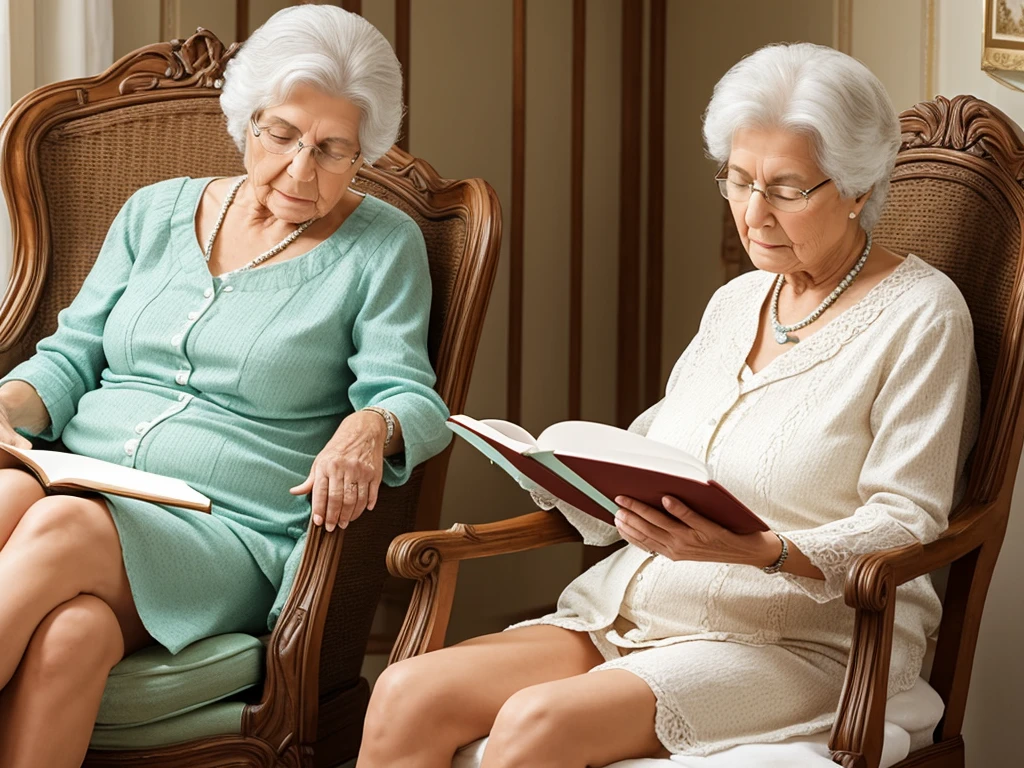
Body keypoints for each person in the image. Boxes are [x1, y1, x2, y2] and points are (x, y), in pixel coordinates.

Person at [357, 42, 980, 767]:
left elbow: (906, 519)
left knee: (536, 724)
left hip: (799, 641)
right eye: (739, 181)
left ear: (859, 189)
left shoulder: (924, 315)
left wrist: (765, 552)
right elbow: (656, 450)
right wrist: (558, 470)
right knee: (405, 692)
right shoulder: (738, 300)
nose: (754, 214)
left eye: (786, 188)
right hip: (638, 607)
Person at [0, 6, 451, 766]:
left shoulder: (381, 246)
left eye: (333, 150)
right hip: (80, 480)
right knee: (61, 606)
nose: (301, 170)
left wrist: (371, 426)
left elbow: (411, 395)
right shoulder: (155, 211)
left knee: (54, 528)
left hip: (226, 530)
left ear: (363, 154)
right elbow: (69, 359)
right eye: (282, 136)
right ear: (247, 122)